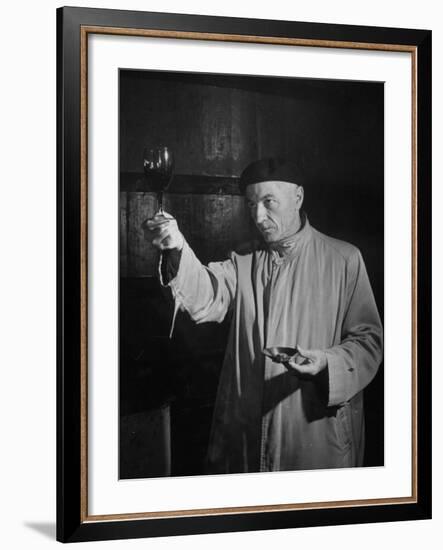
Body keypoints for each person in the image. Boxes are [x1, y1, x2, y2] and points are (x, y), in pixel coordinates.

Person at [145, 157, 383, 474]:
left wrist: (326, 362)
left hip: (314, 432)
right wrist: (177, 249)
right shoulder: (243, 259)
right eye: (251, 204)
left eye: (268, 202)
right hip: (247, 429)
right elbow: (205, 295)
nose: (258, 216)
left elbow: (368, 342)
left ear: (298, 197)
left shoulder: (344, 259)